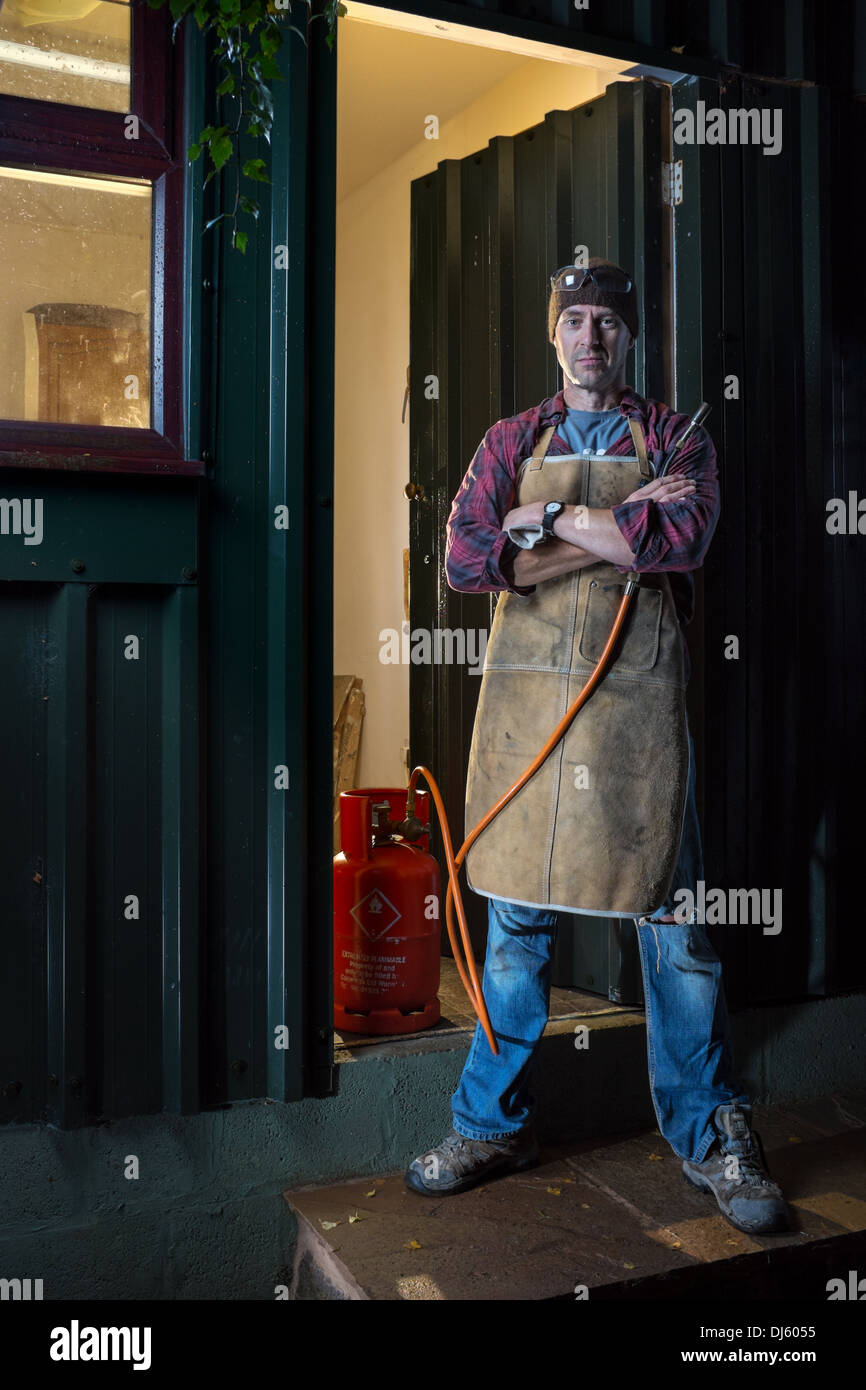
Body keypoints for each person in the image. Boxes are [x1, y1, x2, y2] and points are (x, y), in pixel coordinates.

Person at [403, 259, 789, 1236]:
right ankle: (489, 1124)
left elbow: (683, 535)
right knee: (513, 936)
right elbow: (461, 557)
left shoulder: (671, 439)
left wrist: (540, 527)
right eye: (571, 319)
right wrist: (611, 524)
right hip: (531, 722)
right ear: (552, 334)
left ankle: (710, 1136)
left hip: (633, 725)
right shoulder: (508, 440)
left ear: (627, 336)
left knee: (675, 933)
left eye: (605, 322)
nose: (588, 337)